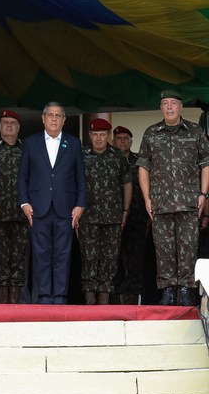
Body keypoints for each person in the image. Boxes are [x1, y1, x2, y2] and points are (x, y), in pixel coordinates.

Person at [137, 90, 209, 306]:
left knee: (188, 248)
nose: (169, 107)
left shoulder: (195, 131)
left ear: (180, 106)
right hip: (161, 202)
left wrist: (203, 194)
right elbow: (143, 167)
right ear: (161, 107)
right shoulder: (151, 133)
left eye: (174, 103)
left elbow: (206, 164)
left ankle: (186, 290)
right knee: (163, 248)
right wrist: (147, 198)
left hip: (189, 202)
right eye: (165, 103)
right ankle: (167, 291)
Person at [18, 101, 86, 304]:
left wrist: (80, 204)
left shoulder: (73, 143)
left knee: (62, 254)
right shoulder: (31, 143)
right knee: (41, 254)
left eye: (58, 115)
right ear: (43, 118)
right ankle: (44, 297)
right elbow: (23, 176)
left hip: (66, 209)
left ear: (64, 120)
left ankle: (60, 297)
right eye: (50, 115)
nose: (54, 119)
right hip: (38, 208)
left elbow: (81, 177)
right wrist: (24, 202)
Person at [78, 118, 131, 305]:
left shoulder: (118, 156)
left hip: (112, 217)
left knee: (110, 258)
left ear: (108, 136)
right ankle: (90, 300)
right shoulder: (81, 156)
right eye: (95, 135)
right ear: (90, 135)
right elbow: (73, 185)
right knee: (89, 257)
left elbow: (127, 183)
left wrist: (125, 210)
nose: (99, 138)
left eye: (102, 135)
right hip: (87, 216)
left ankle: (104, 301)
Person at [0, 109, 29, 304]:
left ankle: (14, 304)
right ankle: (2, 304)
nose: (9, 126)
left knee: (18, 260)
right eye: (5, 123)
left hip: (22, 214)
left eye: (13, 123)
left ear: (18, 127)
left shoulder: (27, 150)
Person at [112, 125, 148, 303]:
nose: (123, 141)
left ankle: (133, 296)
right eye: (119, 138)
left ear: (131, 142)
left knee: (135, 257)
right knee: (114, 257)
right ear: (113, 141)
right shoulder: (109, 160)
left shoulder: (140, 161)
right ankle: (115, 296)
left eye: (126, 138)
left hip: (137, 217)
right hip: (112, 217)